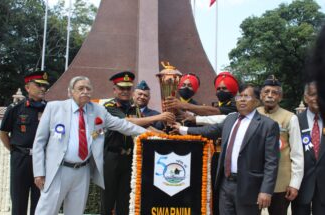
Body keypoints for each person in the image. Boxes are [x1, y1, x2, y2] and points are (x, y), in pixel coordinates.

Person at [32, 76, 147, 215]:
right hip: (58, 170)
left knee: (76, 211)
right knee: (47, 211)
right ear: (70, 92)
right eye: (81, 88)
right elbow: (39, 142)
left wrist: (149, 135)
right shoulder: (54, 108)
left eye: (88, 88)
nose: (85, 91)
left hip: (83, 170)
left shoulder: (99, 111)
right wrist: (39, 172)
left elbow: (123, 125)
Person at [175, 84, 280, 214]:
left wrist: (266, 190)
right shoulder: (231, 118)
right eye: (239, 96)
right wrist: (182, 129)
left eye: (246, 96)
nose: (241, 100)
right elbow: (210, 130)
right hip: (225, 184)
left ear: (257, 101)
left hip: (249, 187)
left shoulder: (268, 125)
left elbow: (272, 162)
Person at [102, 71, 175, 215]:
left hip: (129, 158)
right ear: (114, 89)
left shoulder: (134, 107)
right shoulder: (109, 106)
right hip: (111, 157)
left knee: (125, 200)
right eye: (121, 88)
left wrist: (167, 136)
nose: (125, 91)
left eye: (128, 88)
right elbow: (128, 122)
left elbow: (145, 126)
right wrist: (159, 116)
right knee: (108, 200)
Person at [0, 69, 49, 215]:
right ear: (27, 87)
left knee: (39, 202)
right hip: (20, 159)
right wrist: (15, 151)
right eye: (39, 85)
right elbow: (3, 134)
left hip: (42, 161)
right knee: (18, 201)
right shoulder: (15, 109)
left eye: (44, 85)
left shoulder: (50, 109)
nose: (43, 88)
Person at [257, 75, 304, 215]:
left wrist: (294, 184)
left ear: (280, 97)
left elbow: (297, 153)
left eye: (275, 92)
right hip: (255, 180)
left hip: (280, 182)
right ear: (260, 95)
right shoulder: (253, 114)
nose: (270, 95)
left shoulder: (290, 118)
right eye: (266, 91)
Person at [291, 81, 325, 215]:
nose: (316, 98)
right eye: (312, 94)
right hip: (301, 186)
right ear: (305, 98)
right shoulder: (295, 121)